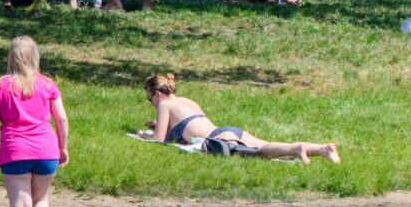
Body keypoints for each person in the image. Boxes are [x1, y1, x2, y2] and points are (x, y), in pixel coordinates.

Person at [0, 36, 69, 207]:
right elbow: (62, 119)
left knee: (19, 205)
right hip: (46, 151)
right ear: (35, 56)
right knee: (40, 200)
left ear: (12, 57)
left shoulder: (1, 86)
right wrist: (63, 147)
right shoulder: (48, 84)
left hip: (15, 151)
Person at [141, 73, 339, 163]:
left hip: (218, 138)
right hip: (227, 130)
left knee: (263, 153)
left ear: (157, 94)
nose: (153, 104)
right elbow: (188, 126)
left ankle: (296, 149)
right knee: (267, 145)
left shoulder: (165, 104)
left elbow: (158, 140)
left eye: (151, 100)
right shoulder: (187, 101)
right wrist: (162, 126)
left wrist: (143, 135)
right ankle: (322, 148)